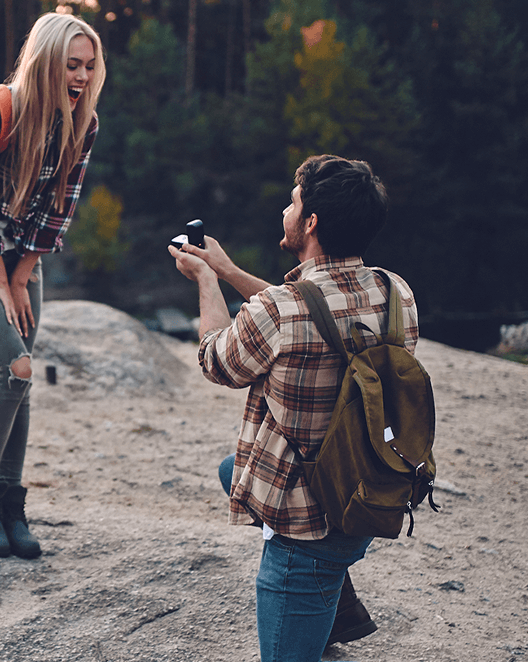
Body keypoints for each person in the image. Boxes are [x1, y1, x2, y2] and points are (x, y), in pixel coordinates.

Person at [169, 155, 419, 661]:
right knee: (232, 470)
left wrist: (206, 282)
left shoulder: (279, 311)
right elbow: (311, 313)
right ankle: (335, 608)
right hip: (371, 488)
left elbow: (217, 358)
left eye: (293, 201)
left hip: (306, 533)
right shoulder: (395, 291)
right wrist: (230, 269)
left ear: (311, 223)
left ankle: (319, 597)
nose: (285, 208)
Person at [0, 13, 106, 559]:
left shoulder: (84, 122)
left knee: (20, 378)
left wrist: (24, 274)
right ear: (45, 61)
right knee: (16, 367)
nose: (79, 76)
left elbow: (60, 208)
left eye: (88, 66)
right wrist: (3, 284)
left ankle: (9, 500)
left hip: (21, 259)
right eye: (70, 65)